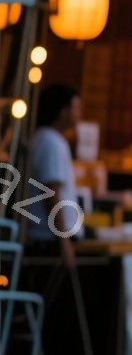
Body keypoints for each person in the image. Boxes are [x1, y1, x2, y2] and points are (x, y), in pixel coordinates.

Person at [27, 84, 83, 255]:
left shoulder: (43, 138)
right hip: (51, 237)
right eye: (76, 108)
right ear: (63, 111)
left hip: (48, 234)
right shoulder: (52, 142)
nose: (79, 114)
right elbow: (52, 191)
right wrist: (63, 239)